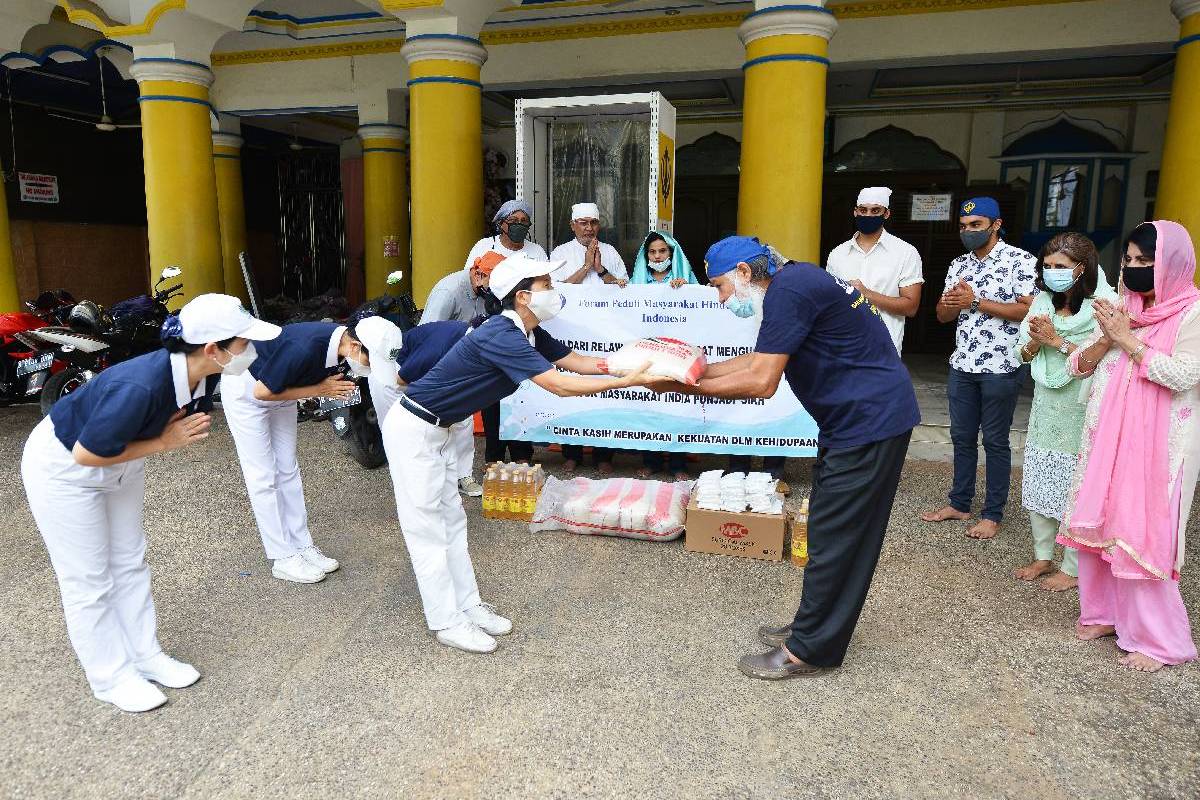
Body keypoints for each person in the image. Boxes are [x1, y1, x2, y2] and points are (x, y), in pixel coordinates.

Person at [647, 236, 920, 680]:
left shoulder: (790, 290)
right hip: (853, 421)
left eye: (720, 286)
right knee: (830, 533)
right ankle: (814, 626)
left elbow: (761, 380)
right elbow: (758, 359)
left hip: (870, 423)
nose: (720, 298)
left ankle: (810, 651)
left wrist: (680, 388)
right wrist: (691, 371)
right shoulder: (795, 282)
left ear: (744, 273)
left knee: (839, 536)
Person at [381, 252, 654, 654]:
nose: (554, 291)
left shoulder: (529, 332)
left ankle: (468, 605)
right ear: (523, 297)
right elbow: (557, 384)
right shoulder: (501, 333)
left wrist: (626, 365)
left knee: (453, 522)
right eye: (546, 285)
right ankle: (445, 620)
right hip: (413, 429)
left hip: (440, 429)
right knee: (428, 528)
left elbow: (574, 361)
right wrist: (630, 382)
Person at [21, 294, 280, 712]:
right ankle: (110, 676)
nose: (251, 349)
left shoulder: (204, 375)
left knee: (130, 559)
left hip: (126, 455)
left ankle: (145, 655)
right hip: (65, 467)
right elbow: (85, 454)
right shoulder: (139, 385)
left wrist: (156, 443)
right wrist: (163, 442)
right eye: (243, 342)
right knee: (88, 578)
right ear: (213, 349)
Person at [1060, 220, 1200, 673]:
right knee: (1102, 520)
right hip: (1108, 436)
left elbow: (1185, 375)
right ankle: (1105, 615)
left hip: (1159, 445)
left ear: (1173, 266)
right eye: (1130, 259)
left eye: (1146, 262)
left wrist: (1128, 340)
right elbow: (1078, 367)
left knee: (1143, 531)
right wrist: (1107, 337)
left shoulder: (1192, 313)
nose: (1134, 269)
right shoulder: (1123, 305)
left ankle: (1159, 641)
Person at [922, 197, 1036, 540]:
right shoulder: (958, 264)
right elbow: (943, 317)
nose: (968, 231)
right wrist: (950, 303)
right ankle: (959, 503)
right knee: (962, 436)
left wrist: (975, 301)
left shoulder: (1020, 261)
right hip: (963, 363)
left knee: (996, 440)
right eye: (963, 226)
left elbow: (1028, 312)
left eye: (976, 225)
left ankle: (993, 513)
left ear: (996, 225)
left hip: (1002, 364)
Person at [221, 320, 367, 584]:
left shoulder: (343, 345)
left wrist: (321, 389)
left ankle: (302, 544)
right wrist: (319, 389)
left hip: (283, 392)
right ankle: (282, 556)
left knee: (288, 468)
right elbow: (262, 391)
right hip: (248, 390)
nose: (369, 366)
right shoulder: (305, 347)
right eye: (370, 359)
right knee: (263, 476)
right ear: (355, 344)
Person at [1014, 233, 1114, 592]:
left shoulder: (1104, 305)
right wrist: (1035, 342)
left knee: (1076, 485)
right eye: (1048, 265)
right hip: (1046, 407)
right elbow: (1021, 356)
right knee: (1041, 476)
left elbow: (1102, 360)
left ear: (1082, 268)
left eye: (1061, 267)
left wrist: (1056, 342)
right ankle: (1043, 555)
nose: (1051, 272)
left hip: (1082, 408)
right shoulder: (1042, 301)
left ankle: (1072, 567)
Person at [423, 249, 531, 477]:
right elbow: (427, 333)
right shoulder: (449, 291)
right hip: (445, 362)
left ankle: (463, 475)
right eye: (497, 282)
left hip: (472, 363)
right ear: (479, 275)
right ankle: (441, 473)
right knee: (443, 427)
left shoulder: (489, 295)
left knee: (464, 425)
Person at [550, 202, 630, 472]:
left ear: (599, 225)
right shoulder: (561, 253)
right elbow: (555, 292)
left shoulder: (610, 252)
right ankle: (571, 455)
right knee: (572, 392)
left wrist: (601, 270)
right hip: (570, 336)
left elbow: (625, 290)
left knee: (604, 391)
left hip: (605, 335)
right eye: (582, 223)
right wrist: (585, 267)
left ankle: (604, 456)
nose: (588, 228)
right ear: (573, 226)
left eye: (593, 223)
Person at [357, 315, 476, 487]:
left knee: (464, 419)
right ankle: (405, 474)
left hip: (427, 375)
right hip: (394, 373)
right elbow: (403, 379)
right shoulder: (438, 349)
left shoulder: (473, 343)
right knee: (394, 425)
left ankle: (462, 475)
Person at [825, 186, 924, 354]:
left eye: (875, 210)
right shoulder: (837, 254)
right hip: (842, 348)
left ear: (886, 214)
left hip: (883, 350)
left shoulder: (905, 252)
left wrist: (866, 294)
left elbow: (911, 307)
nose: (868, 215)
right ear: (855, 212)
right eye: (863, 210)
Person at [630, 231, 696, 480]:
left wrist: (686, 288)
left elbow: (701, 309)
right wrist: (621, 290)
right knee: (648, 407)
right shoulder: (637, 282)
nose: (657, 256)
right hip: (647, 354)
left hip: (677, 354)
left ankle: (678, 464)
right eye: (653, 252)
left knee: (678, 405)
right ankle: (651, 461)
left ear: (672, 253)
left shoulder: (684, 280)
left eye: (663, 251)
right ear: (646, 256)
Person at [463, 197, 548, 270]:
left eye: (523, 221)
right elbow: (470, 279)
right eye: (513, 220)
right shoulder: (483, 246)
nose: (519, 224)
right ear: (500, 224)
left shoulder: (537, 251)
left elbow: (547, 282)